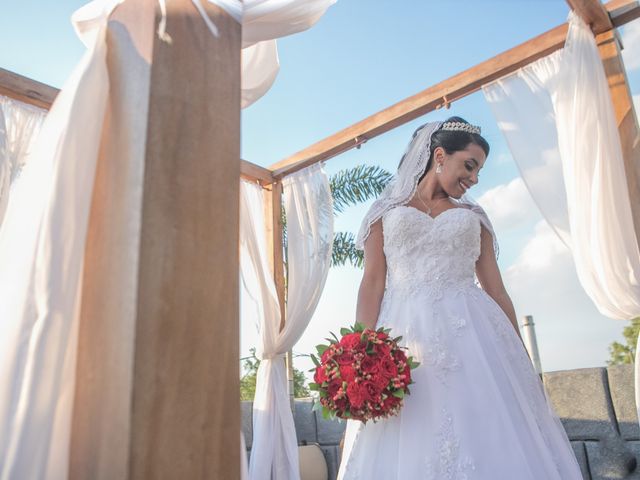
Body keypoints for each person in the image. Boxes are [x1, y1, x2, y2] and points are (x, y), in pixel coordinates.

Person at [336, 117, 584, 479]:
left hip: (474, 337)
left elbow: (496, 291)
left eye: (479, 170)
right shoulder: (385, 213)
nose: (475, 178)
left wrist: (521, 359)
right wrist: (358, 351)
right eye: (469, 165)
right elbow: (372, 283)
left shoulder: (473, 217)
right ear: (440, 154)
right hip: (404, 337)